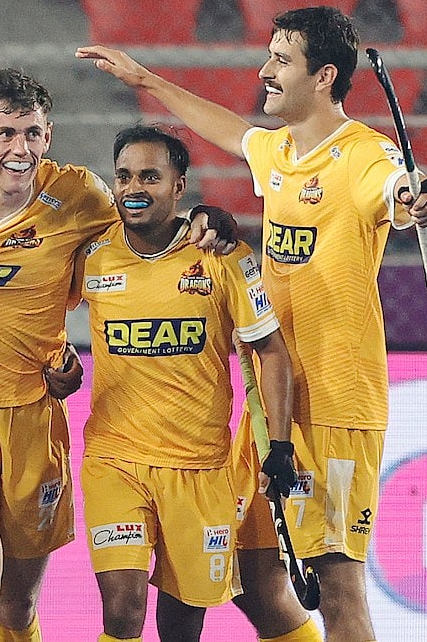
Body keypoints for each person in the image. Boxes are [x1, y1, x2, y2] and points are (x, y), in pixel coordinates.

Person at [78, 5, 427, 642]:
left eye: (282, 61)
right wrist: (147, 80)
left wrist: (419, 196)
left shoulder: (363, 155)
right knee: (256, 578)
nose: (265, 70)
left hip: (334, 403)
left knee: (337, 584)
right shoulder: (275, 150)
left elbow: (395, 188)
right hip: (269, 406)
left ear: (325, 76)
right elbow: (225, 127)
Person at [0, 68, 237, 642]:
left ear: (49, 135)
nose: (19, 149)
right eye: (5, 133)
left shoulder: (80, 196)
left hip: (35, 414)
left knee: (17, 604)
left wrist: (208, 217)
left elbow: (147, 229)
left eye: (32, 134)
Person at [77, 125, 295, 642]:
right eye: (124, 176)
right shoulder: (90, 253)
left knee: (181, 626)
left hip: (199, 469)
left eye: (150, 177)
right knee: (123, 609)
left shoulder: (226, 256)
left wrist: (280, 446)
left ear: (179, 186)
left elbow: (272, 353)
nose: (134, 188)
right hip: (115, 461)